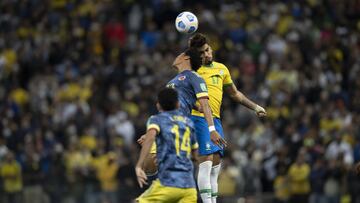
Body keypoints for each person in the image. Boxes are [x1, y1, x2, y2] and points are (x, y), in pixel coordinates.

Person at [188, 33, 267, 203]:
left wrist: (255, 107)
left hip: (215, 119)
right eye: (201, 53)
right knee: (206, 160)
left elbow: (235, 94)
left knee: (216, 164)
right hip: (198, 117)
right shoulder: (191, 70)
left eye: (207, 50)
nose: (207, 54)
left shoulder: (221, 69)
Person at [137, 48, 226, 182]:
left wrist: (212, 129)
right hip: (163, 124)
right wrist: (151, 132)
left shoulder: (194, 77)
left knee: (159, 164)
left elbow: (205, 105)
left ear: (186, 58)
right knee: (148, 166)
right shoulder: (172, 81)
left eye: (179, 54)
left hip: (176, 126)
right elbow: (190, 103)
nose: (176, 56)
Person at [135, 88, 198, 202]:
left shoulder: (156, 120)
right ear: (178, 104)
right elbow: (195, 155)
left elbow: (150, 139)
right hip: (189, 187)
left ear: (158, 105)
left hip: (168, 183)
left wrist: (139, 166)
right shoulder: (188, 123)